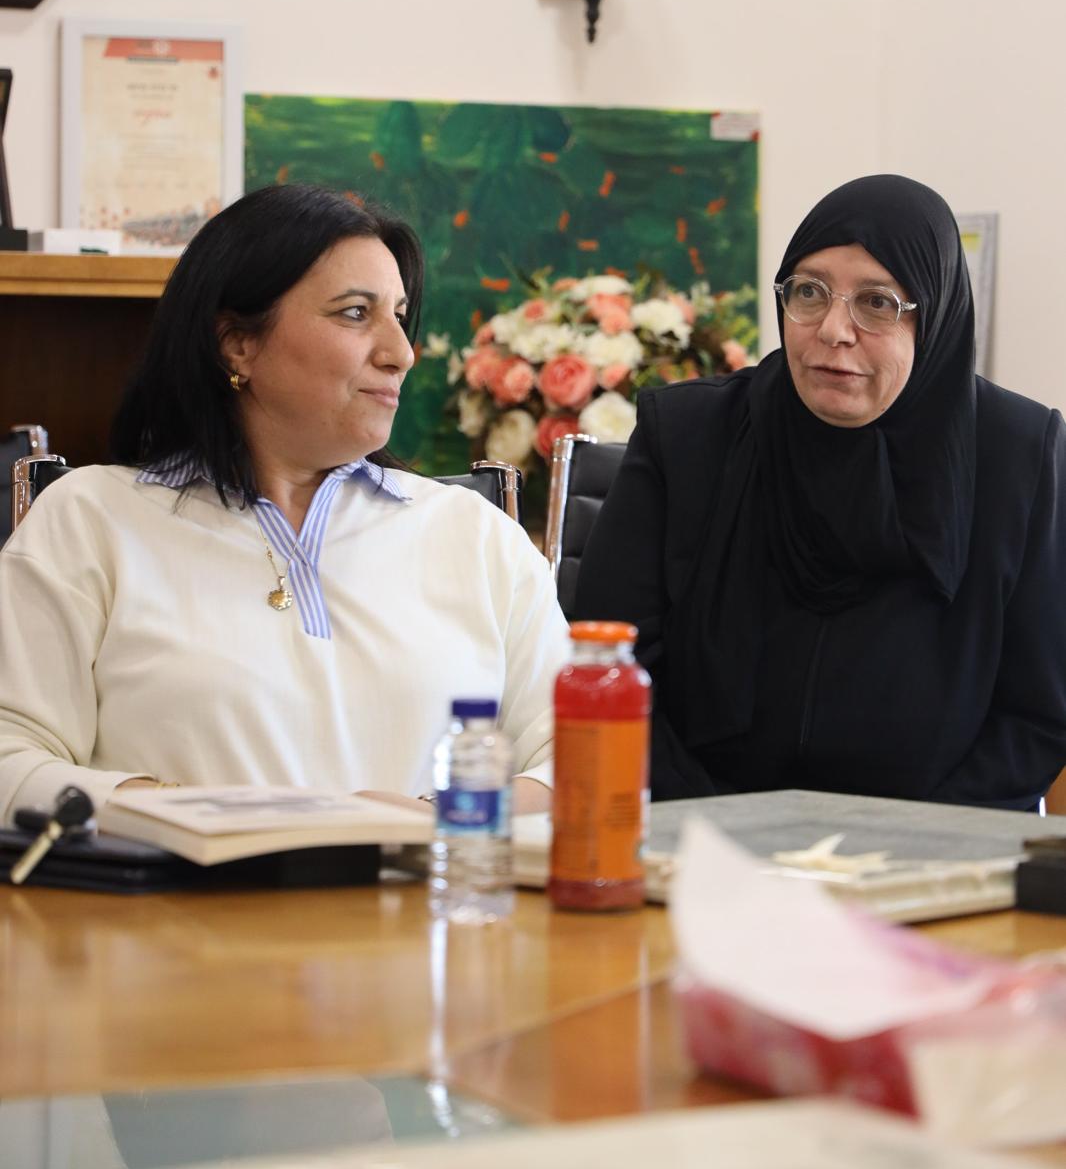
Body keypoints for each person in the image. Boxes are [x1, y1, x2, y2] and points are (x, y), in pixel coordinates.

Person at [0, 184, 569, 824]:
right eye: (355, 313)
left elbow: (580, 759)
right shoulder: (88, 519)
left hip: (423, 885)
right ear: (237, 344)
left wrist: (432, 817)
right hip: (183, 889)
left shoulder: (476, 534)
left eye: (399, 316)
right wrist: (199, 817)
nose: (401, 353)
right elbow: (11, 759)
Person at [574, 174, 1066, 810]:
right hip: (699, 829)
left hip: (929, 844)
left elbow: (1038, 711)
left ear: (935, 317)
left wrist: (920, 840)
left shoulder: (1018, 454)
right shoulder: (689, 435)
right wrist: (715, 826)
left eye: (877, 303)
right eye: (809, 292)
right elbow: (609, 661)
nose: (834, 329)